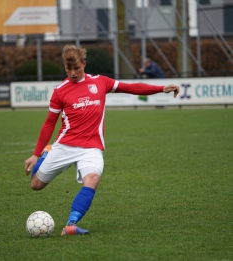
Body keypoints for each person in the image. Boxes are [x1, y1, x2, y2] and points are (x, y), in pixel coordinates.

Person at [24, 45, 179, 236]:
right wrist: (36, 154)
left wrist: (160, 88)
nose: (72, 73)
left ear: (84, 64)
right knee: (36, 185)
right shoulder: (60, 91)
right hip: (64, 145)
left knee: (92, 178)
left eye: (77, 69)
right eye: (68, 69)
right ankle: (48, 153)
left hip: (91, 148)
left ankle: (71, 225)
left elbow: (130, 87)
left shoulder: (100, 83)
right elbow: (49, 123)